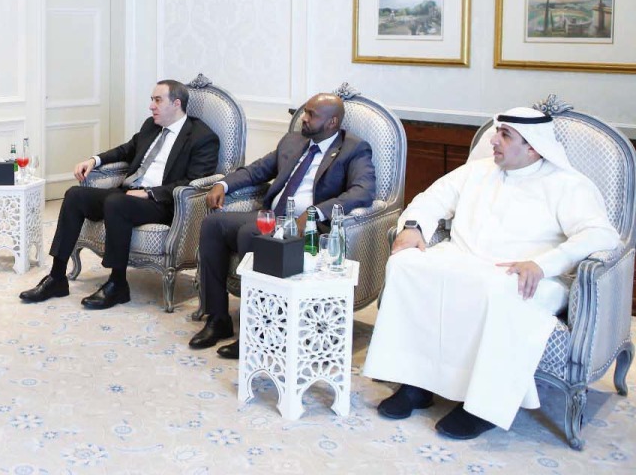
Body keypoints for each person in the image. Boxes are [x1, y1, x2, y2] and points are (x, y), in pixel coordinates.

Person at [363, 107, 620, 440]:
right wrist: (414, 227)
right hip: (463, 258)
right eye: (497, 132)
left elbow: (602, 235)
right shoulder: (477, 171)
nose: (493, 141)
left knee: (503, 291)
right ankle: (415, 384)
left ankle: (481, 408)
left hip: (528, 274)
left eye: (504, 135)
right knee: (404, 263)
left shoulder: (568, 185)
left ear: (533, 147)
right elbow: (431, 199)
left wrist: (545, 264)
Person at [190, 93, 376, 358]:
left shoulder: (354, 149)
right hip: (274, 217)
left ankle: (260, 330)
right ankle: (218, 318)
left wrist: (313, 214)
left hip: (308, 229)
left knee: (251, 233)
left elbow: (362, 192)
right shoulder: (293, 141)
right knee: (213, 224)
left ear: (333, 122)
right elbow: (257, 170)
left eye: (312, 114)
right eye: (305, 112)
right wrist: (224, 184)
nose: (304, 118)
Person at [20, 80, 220, 310]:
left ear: (176, 103)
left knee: (116, 202)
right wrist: (94, 160)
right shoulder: (151, 126)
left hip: (162, 204)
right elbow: (126, 149)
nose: (151, 106)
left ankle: (117, 283)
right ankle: (57, 277)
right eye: (151, 100)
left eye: (157, 100)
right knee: (75, 194)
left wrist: (149, 194)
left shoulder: (202, 137)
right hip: (126, 195)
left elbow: (192, 183)